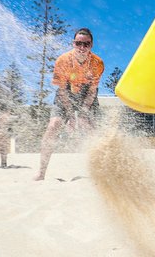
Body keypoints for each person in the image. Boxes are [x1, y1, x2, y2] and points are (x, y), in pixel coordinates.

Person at [35, 28, 104, 181]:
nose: (82, 48)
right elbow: (62, 90)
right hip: (66, 93)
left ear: (91, 45)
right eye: (78, 43)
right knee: (53, 126)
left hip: (86, 94)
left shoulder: (97, 63)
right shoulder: (63, 60)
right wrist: (71, 115)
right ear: (73, 44)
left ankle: (100, 172)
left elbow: (93, 91)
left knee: (93, 131)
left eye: (86, 44)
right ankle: (41, 173)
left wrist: (83, 112)